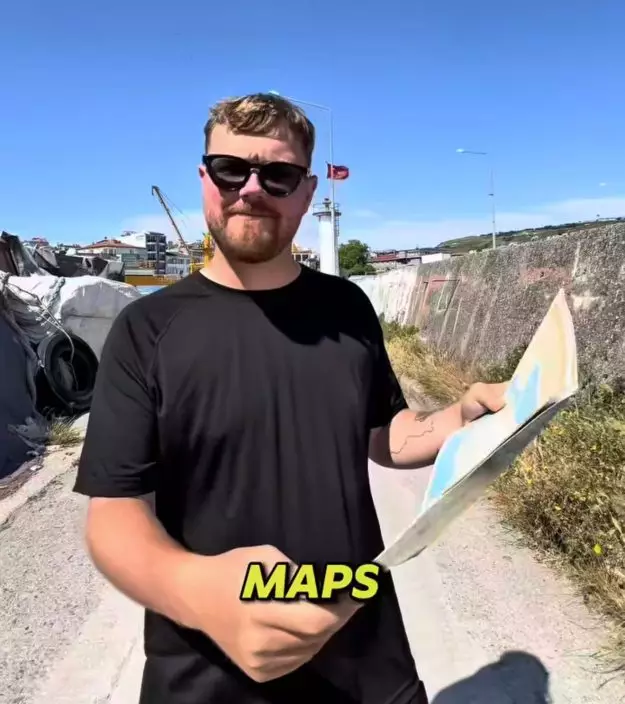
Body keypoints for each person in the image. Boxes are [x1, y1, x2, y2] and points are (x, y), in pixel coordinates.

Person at [74, 92, 508, 704]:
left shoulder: (347, 308)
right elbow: (114, 515)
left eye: (277, 175)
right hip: (206, 672)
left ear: (307, 193)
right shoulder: (146, 329)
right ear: (204, 178)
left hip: (366, 659)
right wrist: (199, 593)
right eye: (231, 169)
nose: (252, 189)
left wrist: (458, 417)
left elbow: (385, 434)